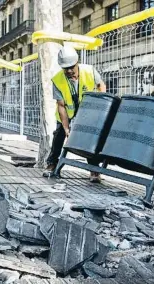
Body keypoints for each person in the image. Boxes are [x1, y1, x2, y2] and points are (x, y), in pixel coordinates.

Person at [43, 46, 106, 183]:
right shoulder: (58, 80)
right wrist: (66, 129)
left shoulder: (89, 71)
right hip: (67, 113)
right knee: (59, 135)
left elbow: (101, 86)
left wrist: (99, 107)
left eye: (72, 67)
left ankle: (94, 170)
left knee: (89, 138)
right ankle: (52, 163)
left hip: (87, 113)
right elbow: (61, 106)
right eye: (66, 68)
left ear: (77, 62)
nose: (70, 71)